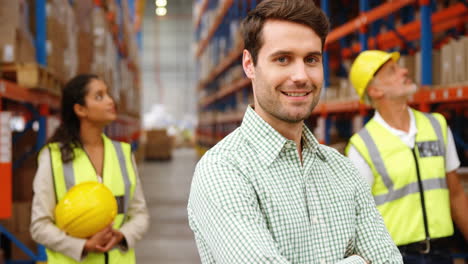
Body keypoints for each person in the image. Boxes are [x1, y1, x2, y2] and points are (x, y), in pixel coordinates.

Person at [187, 1, 403, 263]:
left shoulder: (342, 169)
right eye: (283, 59)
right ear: (249, 64)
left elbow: (389, 260)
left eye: (311, 59)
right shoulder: (223, 171)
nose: (301, 76)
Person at [346, 50, 468, 263]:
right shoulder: (362, 145)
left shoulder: (436, 125)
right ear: (375, 90)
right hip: (393, 256)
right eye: (392, 71)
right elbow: (357, 217)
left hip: (441, 253)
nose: (404, 71)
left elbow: (456, 194)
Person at [30, 74, 149, 263]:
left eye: (108, 94)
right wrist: (82, 246)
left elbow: (139, 214)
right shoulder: (53, 157)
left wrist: (122, 235)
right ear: (80, 109)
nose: (110, 101)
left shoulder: (123, 154)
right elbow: (39, 226)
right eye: (99, 96)